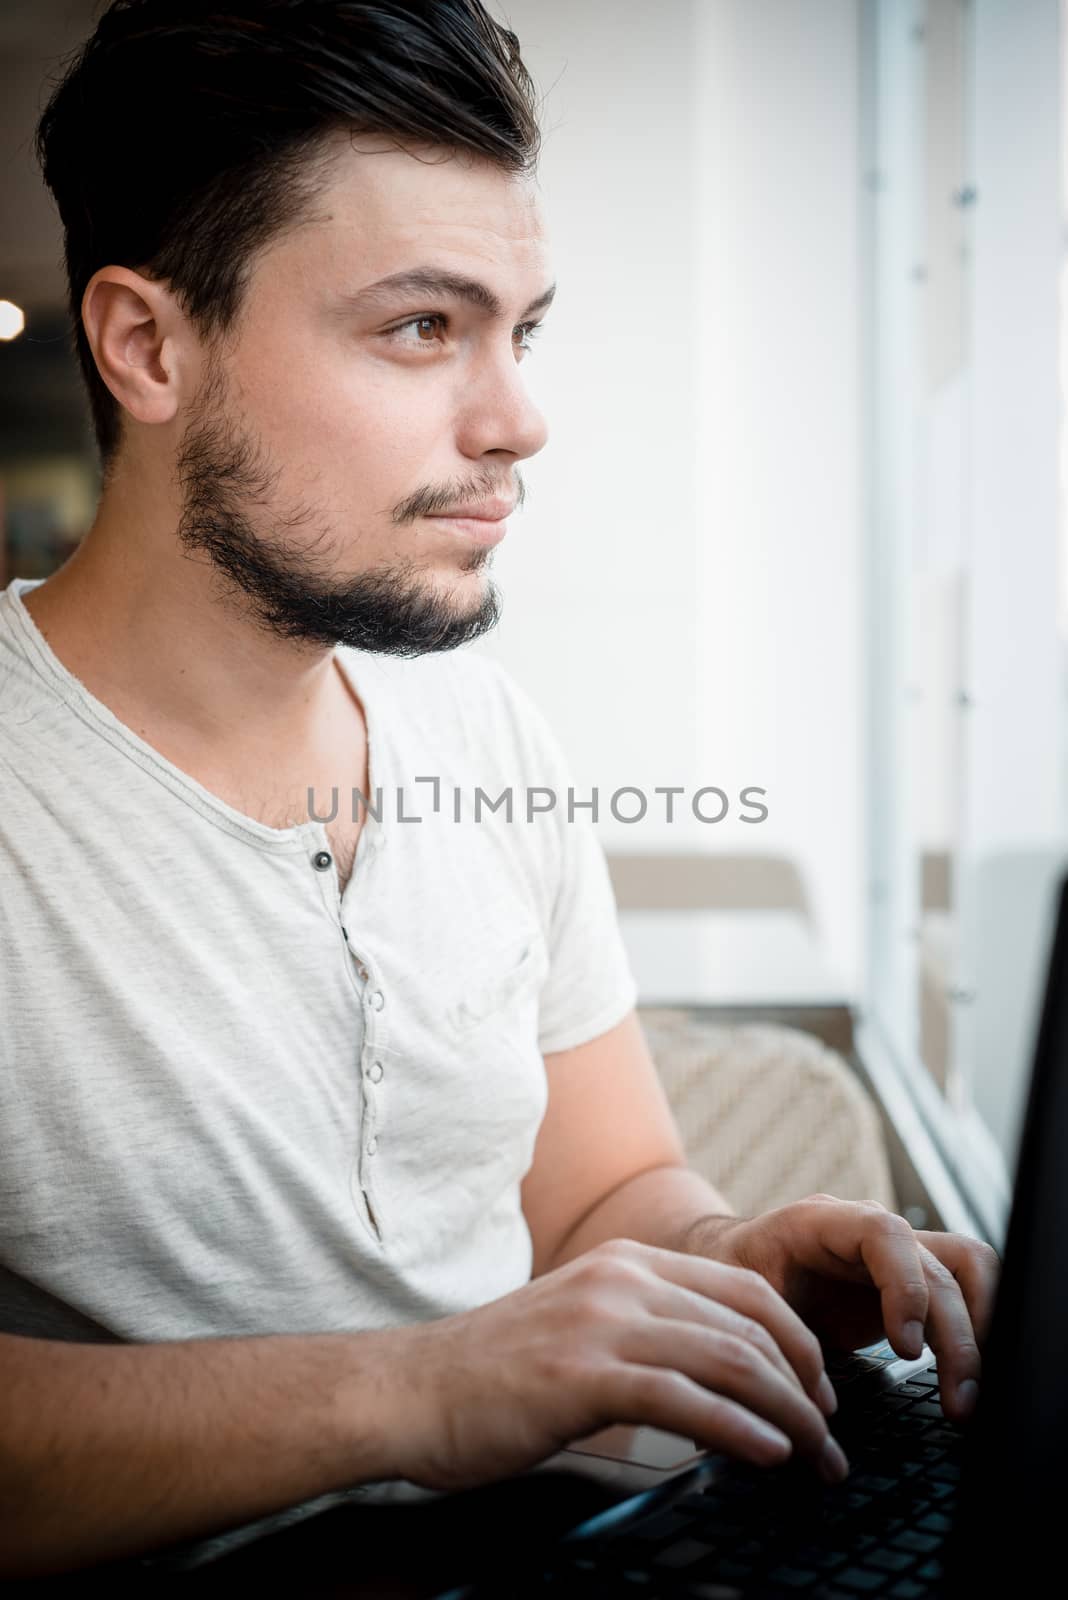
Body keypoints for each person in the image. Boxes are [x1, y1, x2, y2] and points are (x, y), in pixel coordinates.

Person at [0, 0, 999, 1578]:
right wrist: (416, 1390)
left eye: (519, 330)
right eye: (421, 328)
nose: (517, 419)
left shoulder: (488, 738)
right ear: (148, 347)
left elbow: (603, 1189)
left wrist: (729, 1256)